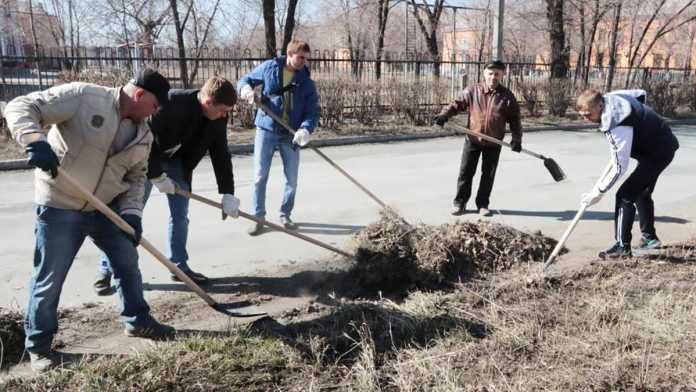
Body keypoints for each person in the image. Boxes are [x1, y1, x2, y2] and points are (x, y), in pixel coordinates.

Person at [4, 69, 175, 372]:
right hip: (60, 203)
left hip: (105, 208)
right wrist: (34, 139)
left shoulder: (143, 135)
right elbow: (20, 106)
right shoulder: (84, 97)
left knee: (127, 263)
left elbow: (137, 179)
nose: (156, 112)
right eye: (155, 105)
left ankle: (138, 320)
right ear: (139, 95)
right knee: (50, 277)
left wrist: (132, 215)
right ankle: (39, 347)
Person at [94, 76, 240, 290]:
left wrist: (227, 193)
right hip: (146, 158)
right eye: (223, 110)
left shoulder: (218, 117)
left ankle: (179, 267)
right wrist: (155, 174)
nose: (225, 115)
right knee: (128, 213)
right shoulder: (171, 103)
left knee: (180, 216)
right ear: (208, 102)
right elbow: (146, 136)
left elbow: (221, 153)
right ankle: (106, 269)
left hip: (179, 163)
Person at [575, 88, 679, 259]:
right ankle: (650, 238)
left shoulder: (617, 123)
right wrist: (641, 121)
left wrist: (598, 192)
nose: (585, 119)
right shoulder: (613, 97)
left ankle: (622, 248)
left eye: (588, 114)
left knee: (625, 195)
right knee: (641, 192)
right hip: (661, 143)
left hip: (657, 153)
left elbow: (619, 168)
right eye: (582, 115)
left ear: (600, 105)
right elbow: (641, 94)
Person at [237, 38, 320, 235]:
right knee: (259, 177)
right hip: (266, 128)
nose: (304, 62)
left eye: (306, 59)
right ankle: (258, 218)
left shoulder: (306, 83)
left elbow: (312, 112)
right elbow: (244, 80)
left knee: (291, 179)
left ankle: (285, 214)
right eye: (301, 57)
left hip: (290, 134)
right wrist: (246, 90)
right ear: (290, 54)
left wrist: (306, 129)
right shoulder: (270, 68)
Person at [433, 60, 523, 217]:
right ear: (484, 74)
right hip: (473, 139)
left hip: (494, 142)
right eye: (490, 73)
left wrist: (517, 139)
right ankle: (460, 203)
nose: (493, 77)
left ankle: (482, 204)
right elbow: (456, 104)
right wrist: (443, 115)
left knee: (488, 175)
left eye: (497, 74)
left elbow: (515, 120)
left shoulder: (507, 96)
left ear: (502, 75)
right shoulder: (473, 91)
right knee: (466, 172)